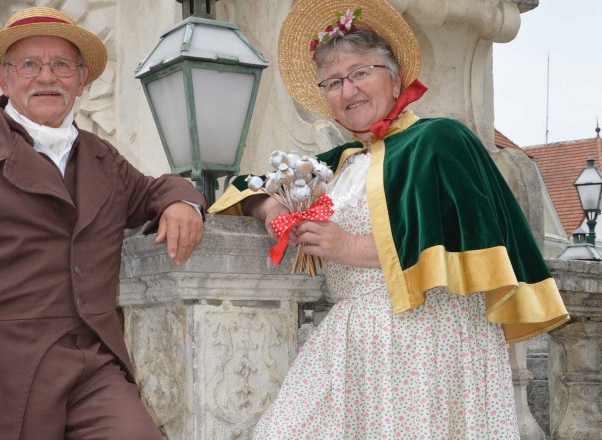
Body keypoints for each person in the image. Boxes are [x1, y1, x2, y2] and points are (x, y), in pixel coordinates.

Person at [208, 0, 569, 438]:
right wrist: (272, 206)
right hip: (351, 343)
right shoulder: (340, 163)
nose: (349, 91)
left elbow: (470, 241)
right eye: (335, 81)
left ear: (395, 78)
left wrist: (348, 247)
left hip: (428, 344)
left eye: (361, 73)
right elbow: (247, 184)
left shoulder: (441, 139)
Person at [0, 6, 205, 440]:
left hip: (94, 367)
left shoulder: (103, 159)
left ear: (81, 80)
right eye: (29, 64)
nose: (47, 77)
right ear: (3, 78)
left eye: (62, 64)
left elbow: (153, 191)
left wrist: (183, 202)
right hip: (1, 377)